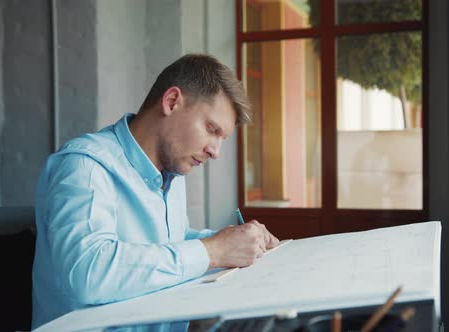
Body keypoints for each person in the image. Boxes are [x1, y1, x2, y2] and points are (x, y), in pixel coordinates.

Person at [31, 54, 279, 330]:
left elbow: (169, 243)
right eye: (211, 130)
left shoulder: (171, 173)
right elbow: (88, 273)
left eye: (222, 139)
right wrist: (213, 251)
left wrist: (235, 242)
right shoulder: (85, 167)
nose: (215, 151)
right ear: (171, 101)